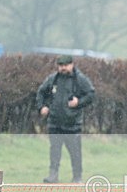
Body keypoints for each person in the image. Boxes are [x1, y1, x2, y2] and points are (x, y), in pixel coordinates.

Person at [35, 54, 95, 183]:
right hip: (54, 122)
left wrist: (78, 102)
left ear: (72, 65)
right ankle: (53, 175)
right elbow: (41, 92)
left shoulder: (80, 79)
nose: (63, 68)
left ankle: (77, 177)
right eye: (61, 65)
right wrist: (42, 107)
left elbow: (91, 94)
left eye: (66, 65)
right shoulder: (52, 79)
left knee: (75, 153)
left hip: (72, 124)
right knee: (54, 151)